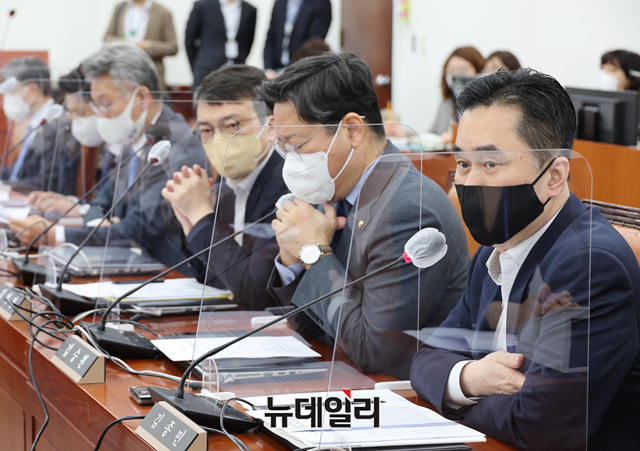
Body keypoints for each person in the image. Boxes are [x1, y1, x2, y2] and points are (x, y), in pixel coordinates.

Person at [410, 68, 640, 450]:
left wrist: (458, 401)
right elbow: (426, 359)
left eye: (490, 164)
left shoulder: (590, 265)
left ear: (554, 177)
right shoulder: (495, 251)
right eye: (463, 164)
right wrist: (470, 379)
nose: (469, 183)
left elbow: (542, 425)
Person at [258, 52, 470, 379]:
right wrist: (292, 257)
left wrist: (314, 253)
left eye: (297, 144)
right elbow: (315, 327)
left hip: (403, 393)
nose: (292, 159)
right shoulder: (334, 191)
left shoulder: (408, 210)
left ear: (353, 130)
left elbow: (375, 351)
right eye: (283, 147)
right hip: (344, 375)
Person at [9, 43, 206, 270]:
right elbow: (102, 202)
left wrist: (55, 235)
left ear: (141, 97)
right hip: (125, 262)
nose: (101, 115)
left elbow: (137, 229)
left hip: (167, 274)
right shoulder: (136, 135)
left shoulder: (173, 143)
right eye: (97, 105)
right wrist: (99, 223)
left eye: (106, 104)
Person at [161, 65, 288, 309]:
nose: (219, 140)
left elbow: (257, 295)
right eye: (206, 130)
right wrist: (190, 223)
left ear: (270, 125)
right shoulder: (222, 183)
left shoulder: (286, 186)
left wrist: (201, 218)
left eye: (231, 125)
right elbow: (209, 278)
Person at [0, 57, 57, 191]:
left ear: (33, 88)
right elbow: (23, 171)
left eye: (12, 90)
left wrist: (7, 186)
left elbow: (46, 181)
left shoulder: (55, 123)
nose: (8, 97)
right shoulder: (34, 123)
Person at [103, 0, 178, 91]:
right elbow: (107, 38)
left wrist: (148, 45)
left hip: (150, 73)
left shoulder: (163, 12)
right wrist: (122, 43)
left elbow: (173, 47)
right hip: (122, 73)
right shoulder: (120, 8)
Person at [185, 0, 257, 91]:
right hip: (207, 69)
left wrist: (240, 59)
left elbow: (248, 41)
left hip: (236, 69)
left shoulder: (250, 9)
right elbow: (189, 40)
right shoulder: (202, 6)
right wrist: (198, 65)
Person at [263, 0, 332, 78]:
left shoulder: (321, 3)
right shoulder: (280, 3)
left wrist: (287, 71)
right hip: (276, 69)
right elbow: (271, 39)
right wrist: (268, 69)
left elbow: (313, 43)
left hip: (302, 70)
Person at [429, 46, 484, 142]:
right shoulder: (446, 102)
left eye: (462, 71)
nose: (454, 76)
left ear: (479, 72)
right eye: (450, 71)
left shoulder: (485, 105)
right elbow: (432, 135)